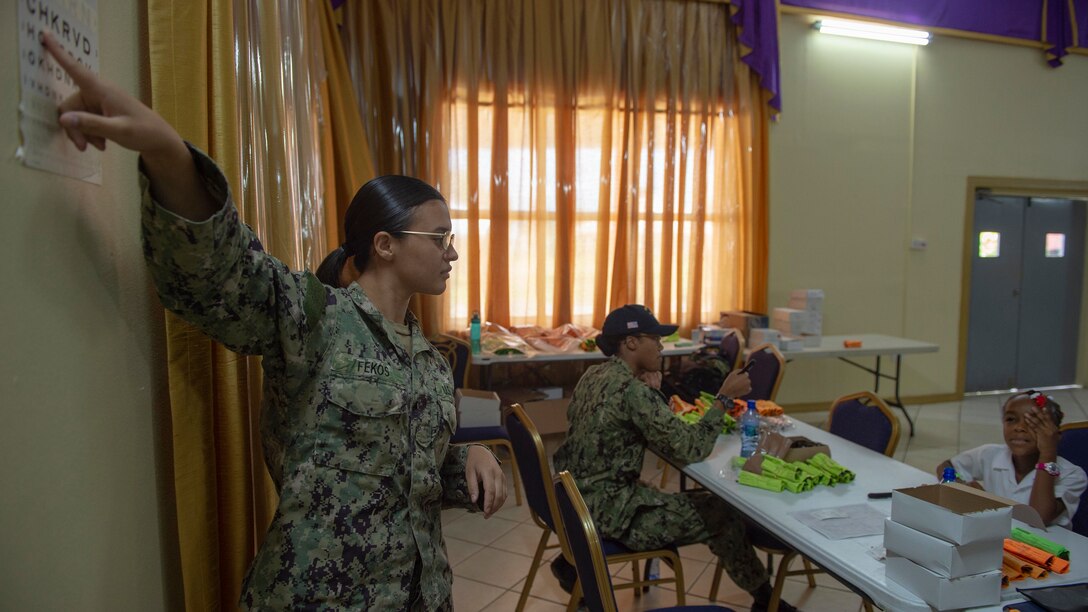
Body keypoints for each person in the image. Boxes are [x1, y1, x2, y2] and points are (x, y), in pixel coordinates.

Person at [39, 32, 505, 610]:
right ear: (384, 245)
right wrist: (167, 153)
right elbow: (224, 273)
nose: (451, 254)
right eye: (439, 239)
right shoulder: (313, 318)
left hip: (419, 595)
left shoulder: (430, 361)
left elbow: (408, 472)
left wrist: (468, 459)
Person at [552, 304, 798, 612]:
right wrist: (723, 398)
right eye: (654, 339)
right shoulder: (632, 391)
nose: (661, 346)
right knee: (722, 515)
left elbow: (622, 421)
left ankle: (569, 562)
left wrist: (651, 396)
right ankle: (768, 601)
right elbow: (691, 448)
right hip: (612, 513)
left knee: (697, 500)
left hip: (578, 503)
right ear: (631, 343)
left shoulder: (595, 375)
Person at [936, 391, 1086, 528]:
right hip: (997, 540)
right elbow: (946, 466)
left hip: (1045, 550)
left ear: (1055, 436)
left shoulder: (1072, 475)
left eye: (1032, 422)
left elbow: (1039, 517)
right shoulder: (990, 454)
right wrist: (959, 484)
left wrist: (1048, 453)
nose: (1019, 427)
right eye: (1011, 419)